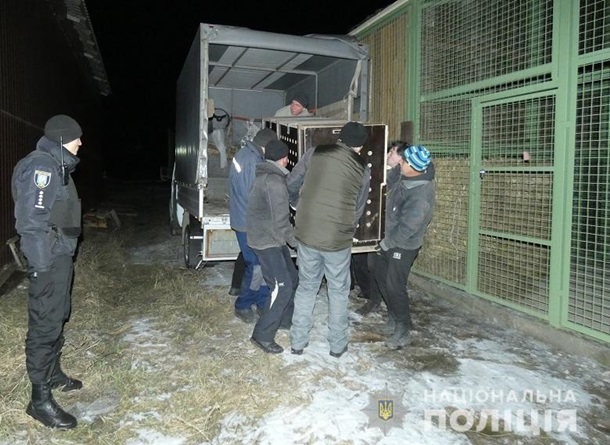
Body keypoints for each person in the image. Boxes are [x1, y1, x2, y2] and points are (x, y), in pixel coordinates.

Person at [11, 114, 85, 429]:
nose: (80, 142)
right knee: (44, 324)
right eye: (76, 137)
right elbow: (31, 222)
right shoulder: (41, 168)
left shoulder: (57, 166)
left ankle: (53, 374)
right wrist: (41, 266)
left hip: (59, 256)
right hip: (48, 261)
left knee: (57, 315)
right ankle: (39, 400)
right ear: (62, 139)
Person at [287, 121, 371, 358]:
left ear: (340, 138)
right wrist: (347, 225)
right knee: (338, 290)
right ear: (359, 146)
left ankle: (298, 342)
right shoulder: (362, 168)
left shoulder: (315, 153)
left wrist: (296, 204)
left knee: (306, 286)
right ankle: (337, 345)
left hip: (307, 232)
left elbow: (291, 183)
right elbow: (358, 207)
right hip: (337, 239)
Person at [372, 143, 435, 349]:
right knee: (379, 274)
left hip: (404, 244)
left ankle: (403, 327)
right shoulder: (406, 174)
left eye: (405, 161)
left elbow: (408, 228)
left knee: (395, 285)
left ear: (415, 168)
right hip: (389, 236)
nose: (401, 163)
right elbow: (387, 182)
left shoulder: (420, 197)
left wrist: (387, 243)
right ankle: (393, 316)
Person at [247, 140, 299, 354]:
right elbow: (282, 221)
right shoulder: (274, 182)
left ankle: (284, 320)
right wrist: (297, 244)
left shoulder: (266, 176)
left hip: (272, 238)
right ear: (284, 159)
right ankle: (262, 335)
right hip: (266, 241)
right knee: (281, 287)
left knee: (292, 279)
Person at [229, 127, 278, 323]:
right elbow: (255, 196)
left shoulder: (244, 153)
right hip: (249, 222)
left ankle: (261, 302)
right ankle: (243, 305)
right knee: (257, 266)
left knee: (260, 265)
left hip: (243, 219)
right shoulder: (254, 161)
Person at [356, 140, 406, 316]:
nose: (387, 155)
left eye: (391, 152)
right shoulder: (387, 172)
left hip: (394, 233)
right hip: (379, 229)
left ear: (401, 158)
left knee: (390, 276)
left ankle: (396, 313)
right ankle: (374, 300)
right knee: (373, 266)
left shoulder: (402, 178)